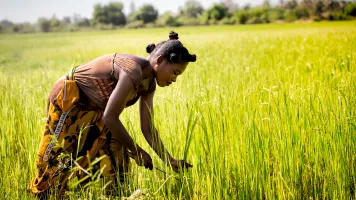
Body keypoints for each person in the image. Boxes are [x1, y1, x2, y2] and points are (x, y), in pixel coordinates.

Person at [28, 31, 196, 198]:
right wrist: (137, 151)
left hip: (96, 113)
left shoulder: (149, 84)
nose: (175, 80)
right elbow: (110, 117)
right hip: (69, 100)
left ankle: (116, 196)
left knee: (116, 156)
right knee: (57, 162)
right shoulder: (132, 71)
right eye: (175, 73)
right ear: (159, 61)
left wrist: (169, 160)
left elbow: (147, 127)